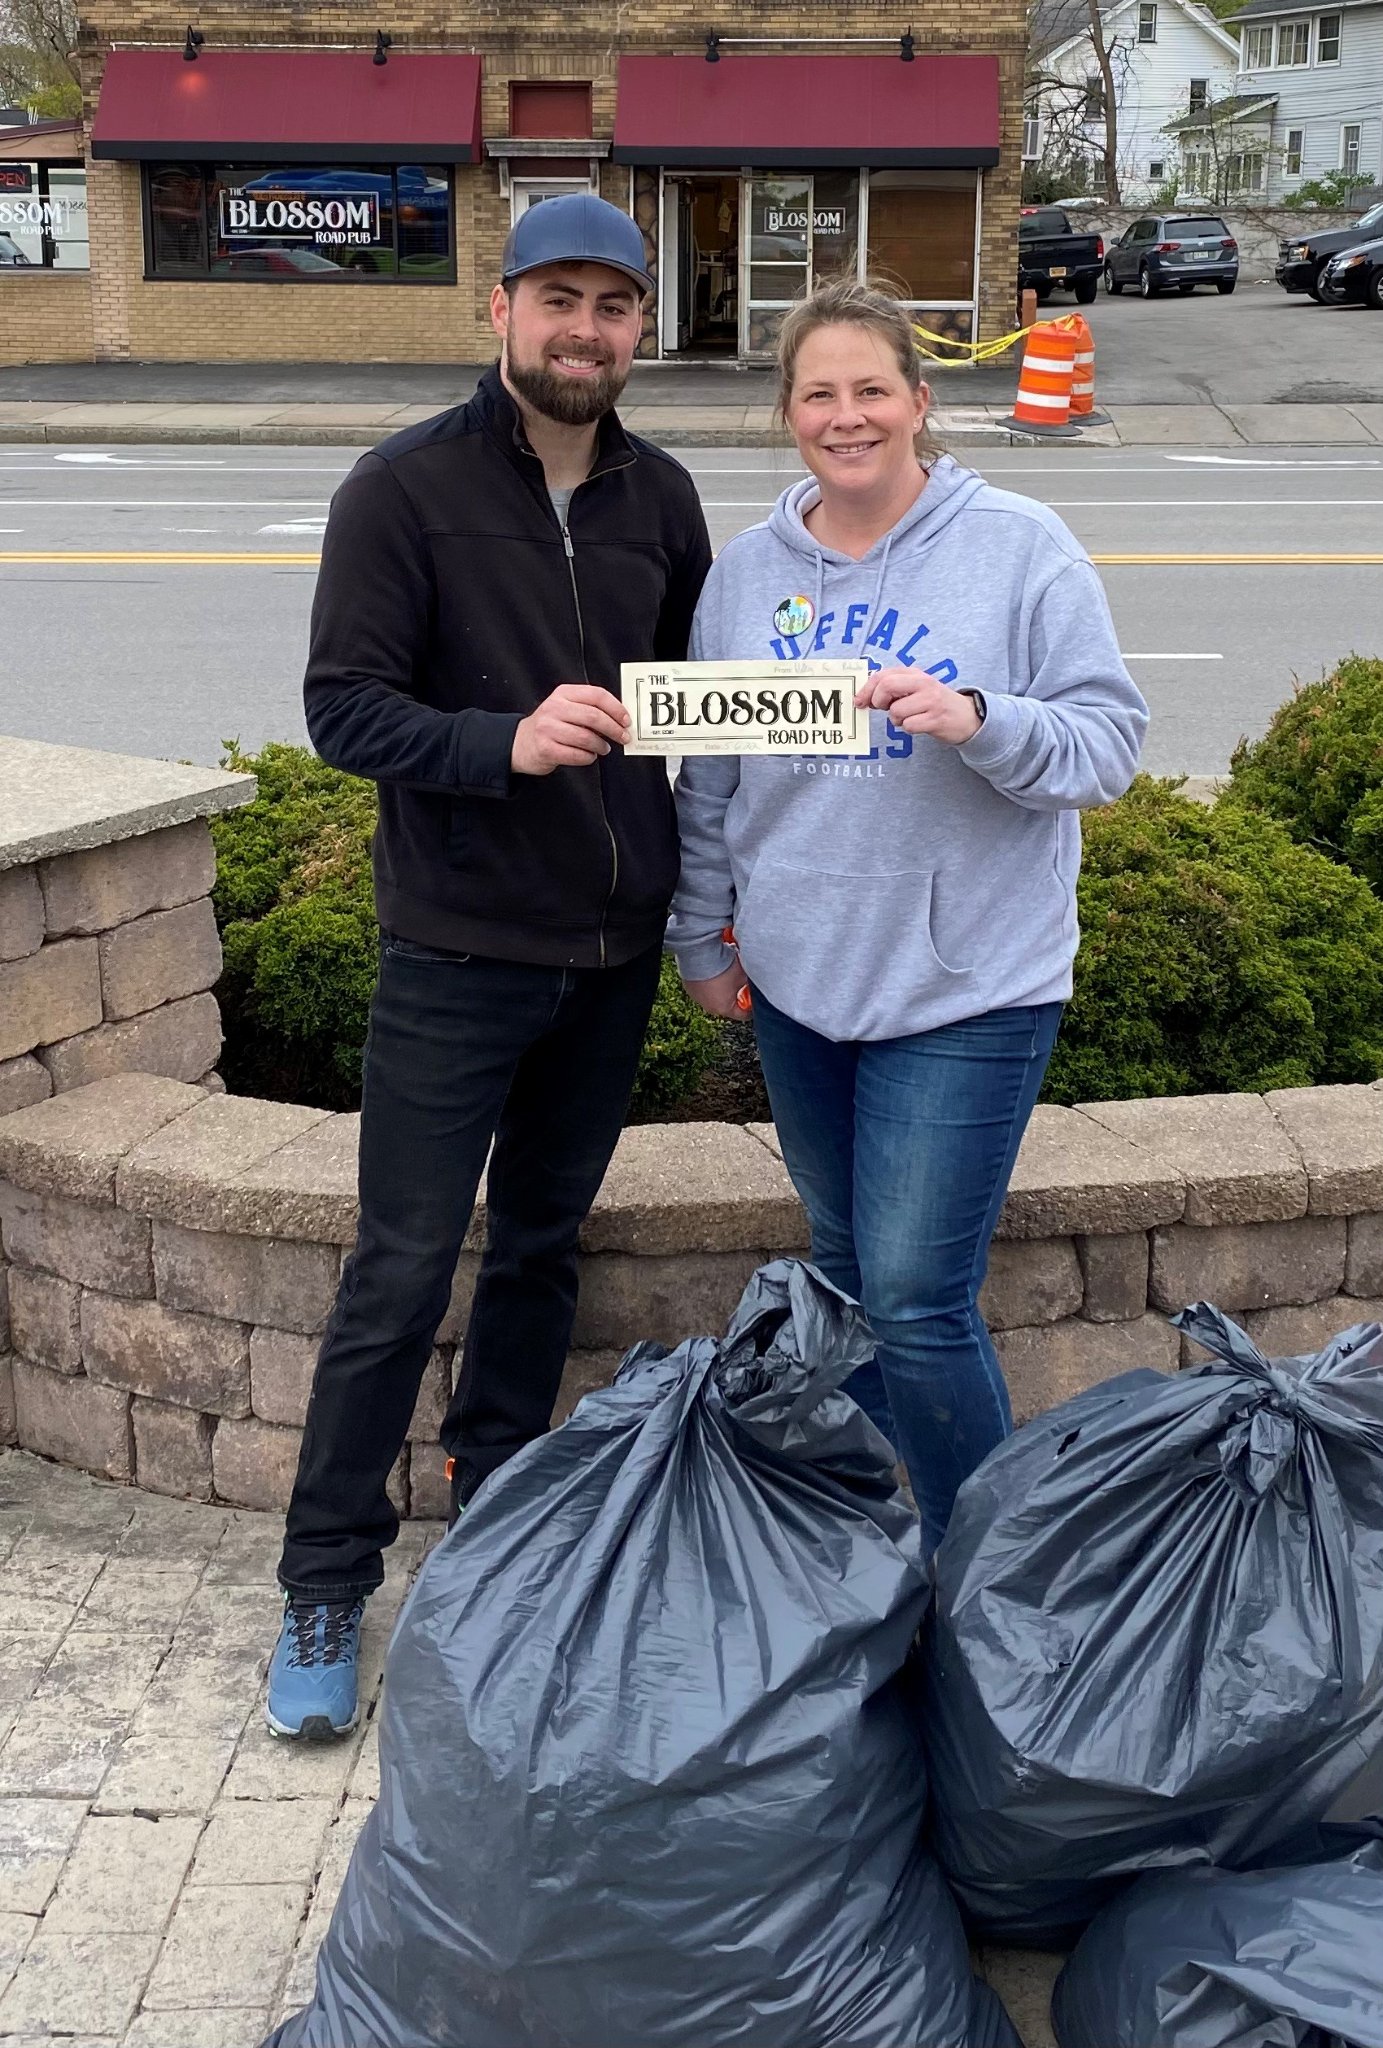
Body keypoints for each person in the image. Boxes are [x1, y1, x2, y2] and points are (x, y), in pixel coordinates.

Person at [267, 193, 712, 1740]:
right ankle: (324, 1576)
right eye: (558, 300)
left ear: (639, 328)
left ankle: (501, 1522)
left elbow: (689, 708)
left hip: (610, 953)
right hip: (455, 951)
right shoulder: (401, 489)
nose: (585, 330)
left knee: (537, 1248)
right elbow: (344, 710)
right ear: (499, 310)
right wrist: (501, 743)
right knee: (395, 1272)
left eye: (614, 305)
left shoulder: (662, 497)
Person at [667, 277, 1147, 1554]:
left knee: (921, 1298)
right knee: (844, 1276)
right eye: (819, 392)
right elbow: (710, 780)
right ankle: (898, 1527)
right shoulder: (748, 573)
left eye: (872, 388)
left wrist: (983, 719)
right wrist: (700, 932)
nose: (847, 414)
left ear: (922, 402)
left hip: (969, 986)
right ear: (788, 413)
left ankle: (992, 1566)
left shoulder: (1021, 546)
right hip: (801, 982)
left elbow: (1108, 746)